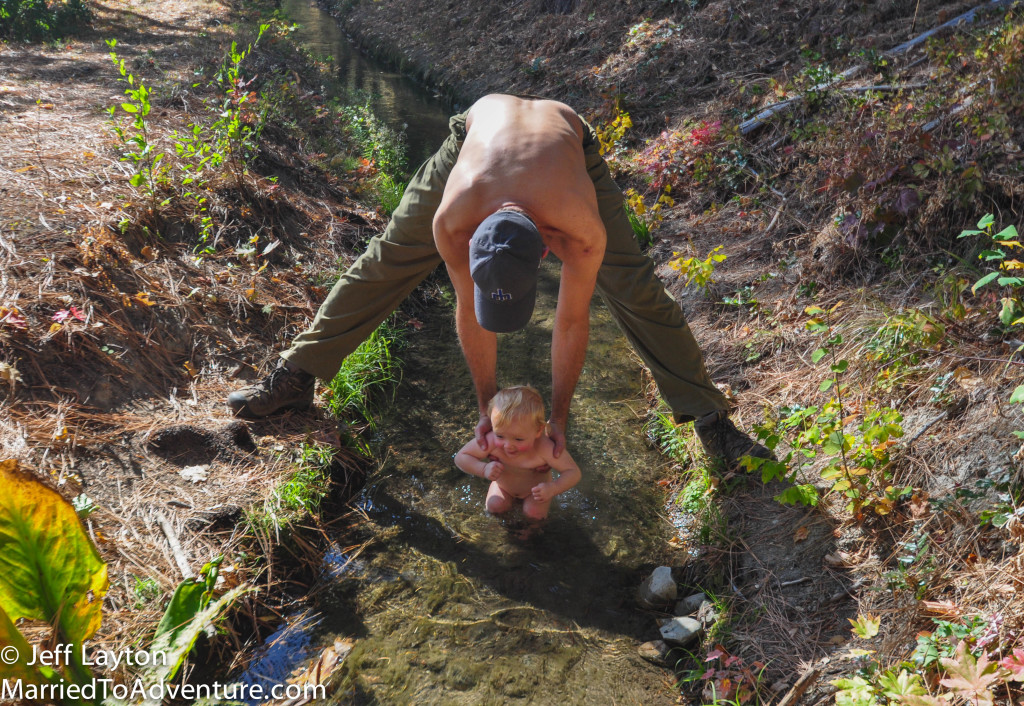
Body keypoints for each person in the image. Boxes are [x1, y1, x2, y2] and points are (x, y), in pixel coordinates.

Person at [227, 94, 771, 468]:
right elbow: (469, 309)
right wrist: (487, 412)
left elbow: (571, 319)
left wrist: (557, 420)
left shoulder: (580, 231)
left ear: (545, 253)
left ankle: (709, 415)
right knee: (387, 259)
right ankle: (295, 376)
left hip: (567, 143)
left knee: (634, 288)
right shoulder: (452, 221)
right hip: (476, 133)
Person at [454, 386, 580, 519]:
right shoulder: (491, 441)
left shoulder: (545, 448)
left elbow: (573, 472)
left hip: (535, 493)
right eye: (500, 436)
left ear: (538, 430)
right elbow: (461, 457)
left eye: (519, 439)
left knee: (534, 514)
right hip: (503, 487)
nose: (508, 446)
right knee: (495, 506)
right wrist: (483, 468)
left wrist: (553, 488)